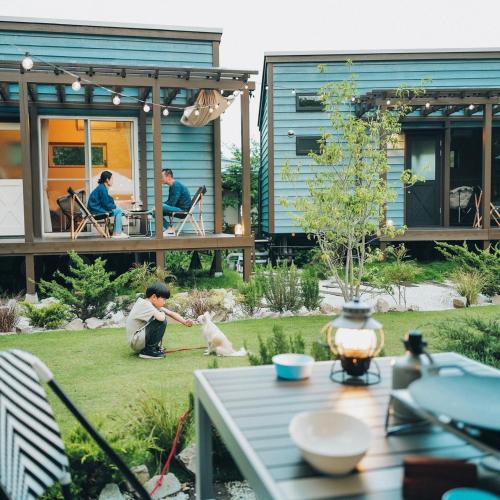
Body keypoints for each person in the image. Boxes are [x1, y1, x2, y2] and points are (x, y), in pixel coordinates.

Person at [126, 282, 193, 360]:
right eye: (163, 299)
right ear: (154, 297)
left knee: (160, 317)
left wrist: (184, 321)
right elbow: (161, 318)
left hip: (138, 341)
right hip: (136, 342)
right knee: (161, 321)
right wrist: (161, 313)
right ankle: (149, 351)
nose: (164, 302)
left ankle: (151, 348)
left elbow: (170, 313)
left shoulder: (149, 304)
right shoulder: (145, 305)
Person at [88, 171, 128, 239]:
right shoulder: (102, 189)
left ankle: (117, 232)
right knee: (118, 211)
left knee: (118, 210)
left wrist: (113, 206)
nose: (112, 181)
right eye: (111, 179)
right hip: (96, 212)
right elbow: (106, 204)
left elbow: (107, 201)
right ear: (107, 179)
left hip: (95, 210)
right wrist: (114, 207)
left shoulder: (101, 187)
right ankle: (117, 233)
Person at [161, 168, 191, 236]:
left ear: (168, 176)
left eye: (162, 177)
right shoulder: (172, 186)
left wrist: (160, 205)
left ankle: (170, 231)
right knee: (155, 212)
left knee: (159, 207)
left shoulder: (176, 185)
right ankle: (169, 229)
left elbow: (172, 204)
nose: (160, 179)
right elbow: (170, 201)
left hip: (182, 211)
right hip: (177, 209)